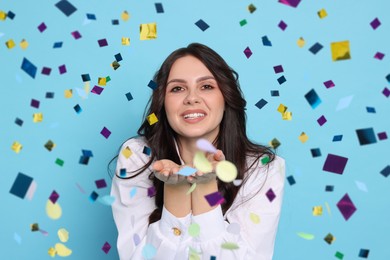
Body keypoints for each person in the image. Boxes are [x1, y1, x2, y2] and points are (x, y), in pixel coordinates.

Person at [110, 43, 285, 260]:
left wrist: (205, 190)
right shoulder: (138, 156)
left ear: (226, 97)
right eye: (177, 88)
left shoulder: (263, 167)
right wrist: (176, 191)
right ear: (163, 102)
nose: (192, 98)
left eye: (206, 87)